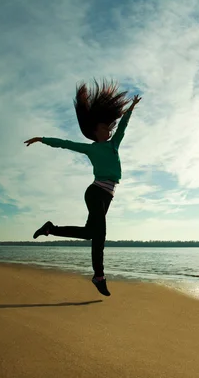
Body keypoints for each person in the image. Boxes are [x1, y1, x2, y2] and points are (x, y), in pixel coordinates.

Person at [24, 79, 141, 296]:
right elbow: (66, 143)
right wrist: (42, 139)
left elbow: (123, 126)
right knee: (100, 235)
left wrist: (131, 108)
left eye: (109, 128)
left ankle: (50, 229)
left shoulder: (113, 144)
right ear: (95, 131)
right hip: (95, 192)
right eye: (105, 128)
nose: (109, 130)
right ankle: (99, 276)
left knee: (90, 233)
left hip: (107, 196)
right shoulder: (90, 149)